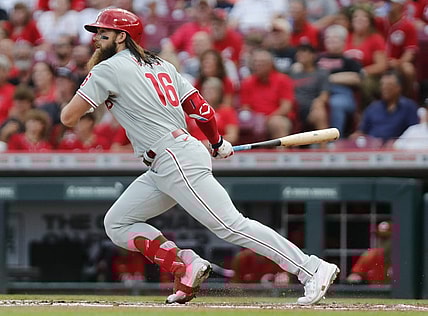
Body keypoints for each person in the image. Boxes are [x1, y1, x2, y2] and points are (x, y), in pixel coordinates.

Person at [60, 8, 339, 305]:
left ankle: (310, 268)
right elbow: (200, 107)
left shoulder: (107, 69)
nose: (96, 40)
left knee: (231, 225)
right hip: (169, 159)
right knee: (118, 223)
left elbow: (67, 118)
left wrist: (91, 98)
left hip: (173, 156)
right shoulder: (162, 65)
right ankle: (186, 265)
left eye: (103, 34)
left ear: (121, 37)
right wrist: (217, 142)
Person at [350, 70, 419, 144]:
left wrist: (397, 143)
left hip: (397, 149)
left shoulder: (409, 107)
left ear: (398, 88)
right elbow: (361, 131)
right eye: (382, 84)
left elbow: (414, 133)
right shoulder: (372, 108)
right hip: (372, 148)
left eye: (388, 85)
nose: (384, 88)